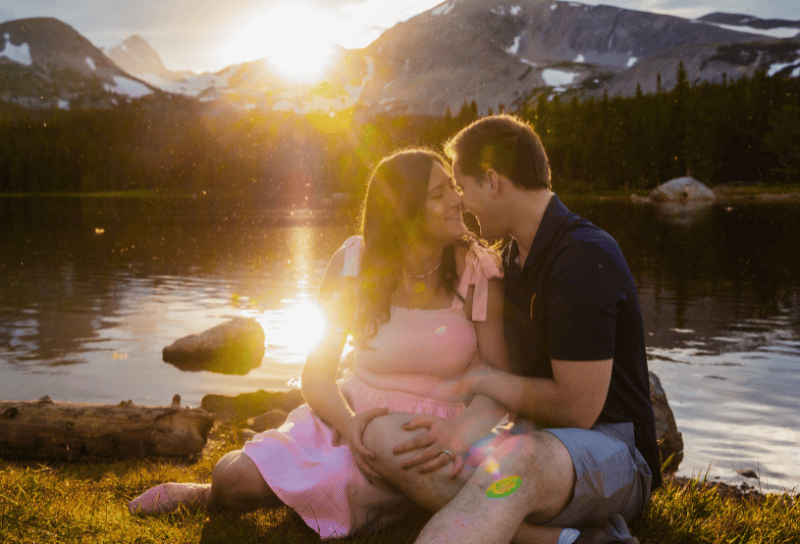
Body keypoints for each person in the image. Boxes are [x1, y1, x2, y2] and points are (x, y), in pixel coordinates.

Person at [129, 148, 543, 538]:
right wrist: (350, 426)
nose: (458, 200)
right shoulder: (353, 264)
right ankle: (205, 494)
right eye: (440, 193)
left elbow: (498, 379)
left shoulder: (477, 269)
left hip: (446, 430)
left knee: (433, 479)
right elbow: (318, 372)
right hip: (353, 415)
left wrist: (458, 431)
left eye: (453, 187)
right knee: (232, 479)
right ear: (404, 213)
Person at [360, 115, 661, 544]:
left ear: (493, 182)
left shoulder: (582, 258)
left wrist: (486, 381)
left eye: (462, 188)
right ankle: (569, 540)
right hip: (534, 439)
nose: (460, 203)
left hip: (615, 454)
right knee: (387, 435)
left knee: (514, 465)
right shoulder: (511, 260)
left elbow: (580, 411)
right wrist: (460, 430)